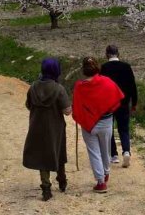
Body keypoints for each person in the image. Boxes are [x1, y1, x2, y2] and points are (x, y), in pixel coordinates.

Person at [72, 56, 124, 194]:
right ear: (97, 67)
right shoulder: (107, 82)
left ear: (84, 70)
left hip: (88, 125)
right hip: (106, 123)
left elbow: (76, 106)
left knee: (94, 152)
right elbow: (116, 99)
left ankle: (100, 182)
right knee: (106, 150)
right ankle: (105, 174)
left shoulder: (79, 86)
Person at [23, 58, 71, 201]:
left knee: (42, 155)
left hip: (37, 126)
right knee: (58, 151)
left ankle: (46, 187)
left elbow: (28, 105)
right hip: (55, 128)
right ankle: (62, 179)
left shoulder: (33, 87)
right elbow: (67, 111)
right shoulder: (59, 89)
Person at [101, 45, 139, 168]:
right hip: (123, 103)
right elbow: (133, 86)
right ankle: (126, 151)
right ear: (118, 54)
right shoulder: (126, 67)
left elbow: (100, 87)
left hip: (108, 104)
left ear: (107, 54)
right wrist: (134, 103)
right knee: (124, 129)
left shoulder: (104, 68)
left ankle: (114, 155)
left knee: (109, 129)